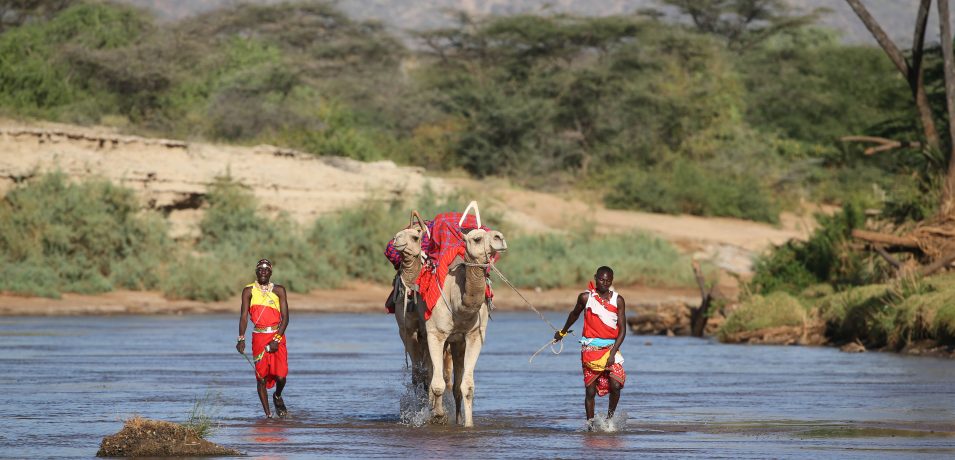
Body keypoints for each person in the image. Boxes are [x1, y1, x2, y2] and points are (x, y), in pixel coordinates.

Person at [554, 266, 627, 426]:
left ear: (612, 281)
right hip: (590, 351)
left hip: (610, 349)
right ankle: (590, 424)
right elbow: (574, 314)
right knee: (590, 391)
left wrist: (613, 353)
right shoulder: (586, 298)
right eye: (601, 279)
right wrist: (562, 332)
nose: (604, 283)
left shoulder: (618, 300)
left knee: (616, 385)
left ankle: (609, 420)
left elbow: (622, 330)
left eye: (608, 280)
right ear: (595, 278)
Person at [236, 259, 290, 418]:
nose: (263, 272)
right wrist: (241, 338)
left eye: (266, 270)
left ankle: (277, 396)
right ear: (256, 272)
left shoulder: (279, 290)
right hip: (258, 337)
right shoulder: (248, 291)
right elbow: (244, 317)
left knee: (281, 376)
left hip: (277, 336)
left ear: (271, 272)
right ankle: (268, 416)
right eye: (260, 269)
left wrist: (276, 339)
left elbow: (286, 318)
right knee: (261, 378)